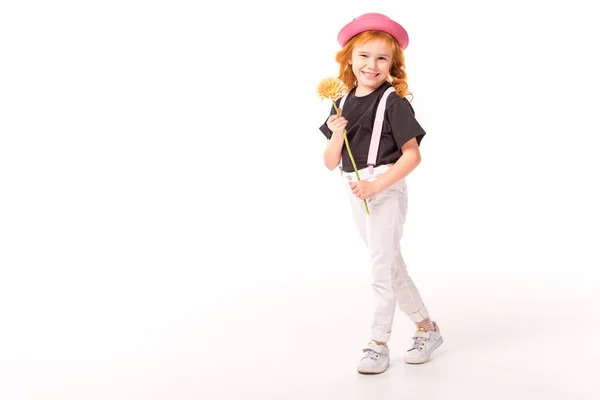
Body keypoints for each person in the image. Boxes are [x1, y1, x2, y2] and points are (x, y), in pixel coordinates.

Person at [319, 13, 443, 374]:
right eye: (364, 56)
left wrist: (375, 185)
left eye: (381, 58)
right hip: (356, 190)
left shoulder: (394, 102)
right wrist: (337, 133)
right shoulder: (341, 103)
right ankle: (426, 328)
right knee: (389, 263)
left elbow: (412, 155)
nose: (371, 65)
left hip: (385, 188)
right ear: (350, 59)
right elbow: (330, 162)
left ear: (392, 64)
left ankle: (377, 342)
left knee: (380, 267)